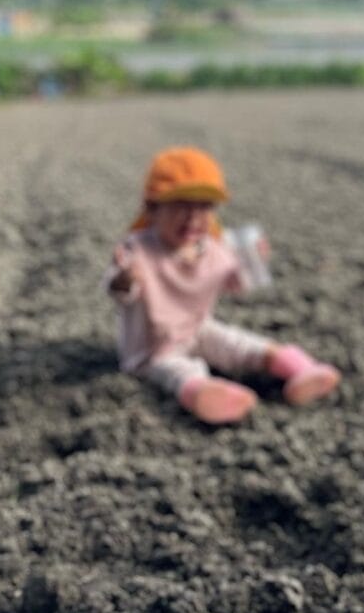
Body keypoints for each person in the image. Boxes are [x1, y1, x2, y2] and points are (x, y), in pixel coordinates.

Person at [105, 146, 340, 425]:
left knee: (240, 344)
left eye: (204, 207)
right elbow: (119, 290)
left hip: (198, 328)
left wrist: (251, 262)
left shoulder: (214, 247)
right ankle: (204, 394)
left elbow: (236, 283)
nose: (193, 218)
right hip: (153, 347)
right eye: (181, 206)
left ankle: (300, 370)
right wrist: (126, 279)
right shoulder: (138, 250)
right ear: (152, 208)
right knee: (176, 370)